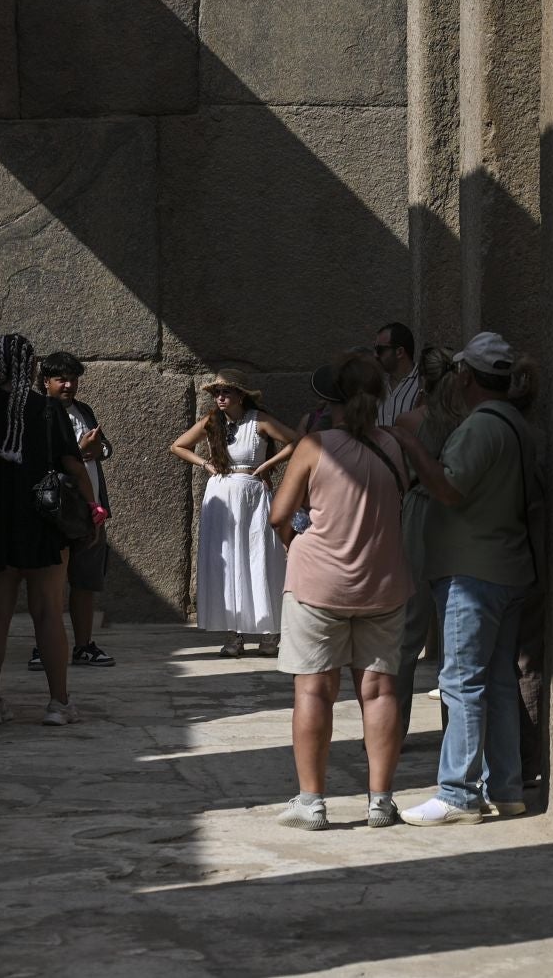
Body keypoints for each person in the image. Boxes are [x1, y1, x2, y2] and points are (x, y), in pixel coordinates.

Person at [385, 332, 542, 824]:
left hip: (472, 574)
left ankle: (458, 793)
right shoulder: (516, 423)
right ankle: (507, 787)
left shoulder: (481, 428)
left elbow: (450, 489)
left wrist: (410, 444)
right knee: (495, 681)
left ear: (467, 376)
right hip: (506, 568)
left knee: (461, 681)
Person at [267, 351, 413, 829]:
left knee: (313, 689)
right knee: (379, 690)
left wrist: (294, 546)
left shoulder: (315, 445)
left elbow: (278, 515)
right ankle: (381, 801)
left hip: (318, 584)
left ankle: (311, 802)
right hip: (383, 583)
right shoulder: (395, 445)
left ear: (332, 400)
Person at [0, 333, 101, 727]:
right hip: (41, 522)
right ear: (34, 366)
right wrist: (93, 510)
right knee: (48, 613)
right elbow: (73, 464)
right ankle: (58, 703)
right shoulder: (46, 409)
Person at [171, 370, 297, 657]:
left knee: (259, 556)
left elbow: (295, 441)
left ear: (242, 395)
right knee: (227, 561)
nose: (221, 397)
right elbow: (178, 445)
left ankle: (269, 634)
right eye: (217, 393)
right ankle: (233, 634)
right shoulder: (212, 421)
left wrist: (267, 465)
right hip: (221, 494)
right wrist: (205, 464)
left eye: (226, 392)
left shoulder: (259, 420)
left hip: (251, 493)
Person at [390, 345, 466, 742]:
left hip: (420, 512)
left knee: (408, 632)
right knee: (455, 629)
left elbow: (403, 476)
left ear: (423, 381)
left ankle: (394, 731)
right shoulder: (467, 420)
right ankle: (455, 735)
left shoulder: (409, 420)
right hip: (461, 517)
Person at [29, 351, 117, 671]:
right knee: (49, 585)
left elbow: (104, 447)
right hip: (56, 511)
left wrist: (99, 449)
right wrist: (79, 453)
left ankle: (83, 646)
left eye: (73, 378)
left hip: (89, 512)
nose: (68, 385)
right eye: (60, 379)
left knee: (85, 581)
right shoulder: (39, 413)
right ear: (45, 381)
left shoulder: (85, 410)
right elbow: (42, 462)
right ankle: (43, 647)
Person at [374, 321, 423, 427]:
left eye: (379, 350)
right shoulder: (376, 384)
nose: (375, 355)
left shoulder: (424, 383)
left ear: (399, 352)